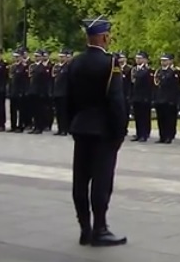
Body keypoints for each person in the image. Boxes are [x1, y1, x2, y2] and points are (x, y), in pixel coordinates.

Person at [65, 17, 127, 247]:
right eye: (108, 35)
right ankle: (100, 228)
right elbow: (116, 102)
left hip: (81, 128)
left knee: (80, 180)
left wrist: (72, 123)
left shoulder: (75, 63)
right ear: (103, 37)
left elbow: (66, 98)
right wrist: (119, 133)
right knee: (101, 181)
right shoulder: (110, 64)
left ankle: (84, 229)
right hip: (103, 131)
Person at [153, 54, 180, 143]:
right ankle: (162, 136)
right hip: (160, 98)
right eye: (162, 60)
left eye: (165, 60)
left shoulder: (174, 71)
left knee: (169, 119)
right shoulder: (159, 71)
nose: (163, 62)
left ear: (170, 61)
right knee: (161, 119)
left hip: (169, 99)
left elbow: (176, 87)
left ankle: (169, 136)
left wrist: (174, 99)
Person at [130, 52, 154, 142]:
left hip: (144, 97)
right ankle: (139, 133)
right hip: (136, 96)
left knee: (144, 116)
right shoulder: (134, 69)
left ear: (145, 59)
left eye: (140, 58)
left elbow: (150, 85)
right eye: (136, 58)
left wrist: (149, 97)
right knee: (138, 116)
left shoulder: (147, 70)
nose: (137, 60)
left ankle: (144, 134)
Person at [52, 49, 72, 136]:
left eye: (62, 57)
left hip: (65, 92)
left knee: (64, 112)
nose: (61, 58)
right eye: (60, 57)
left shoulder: (68, 67)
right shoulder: (57, 67)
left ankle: (64, 129)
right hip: (57, 92)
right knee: (58, 112)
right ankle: (60, 129)